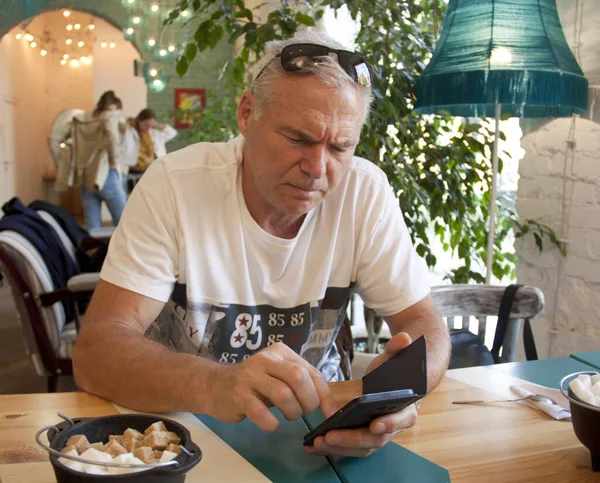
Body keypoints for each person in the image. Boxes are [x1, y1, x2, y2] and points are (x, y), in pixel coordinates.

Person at [73, 30, 451, 459]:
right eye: (297, 138)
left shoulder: (364, 192)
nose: (316, 168)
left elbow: (425, 323)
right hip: (180, 437)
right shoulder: (176, 186)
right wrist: (216, 383)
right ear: (247, 113)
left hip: (315, 437)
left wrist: (400, 394)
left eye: (340, 147)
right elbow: (96, 353)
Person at [76, 90, 128, 229]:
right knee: (124, 224)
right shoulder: (110, 117)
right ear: (113, 107)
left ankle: (96, 251)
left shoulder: (84, 119)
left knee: (93, 228)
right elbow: (111, 134)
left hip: (86, 177)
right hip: (106, 175)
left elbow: (55, 138)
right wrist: (114, 162)